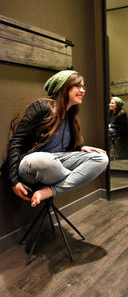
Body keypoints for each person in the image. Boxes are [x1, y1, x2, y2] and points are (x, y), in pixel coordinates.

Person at [2, 70, 109, 208]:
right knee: (44, 160)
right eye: (77, 86)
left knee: (101, 158)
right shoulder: (42, 106)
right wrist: (13, 181)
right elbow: (16, 142)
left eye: (83, 87)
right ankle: (71, 177)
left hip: (58, 162)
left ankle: (48, 191)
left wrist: (80, 148)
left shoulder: (71, 117)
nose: (83, 90)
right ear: (64, 87)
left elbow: (63, 146)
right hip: (33, 164)